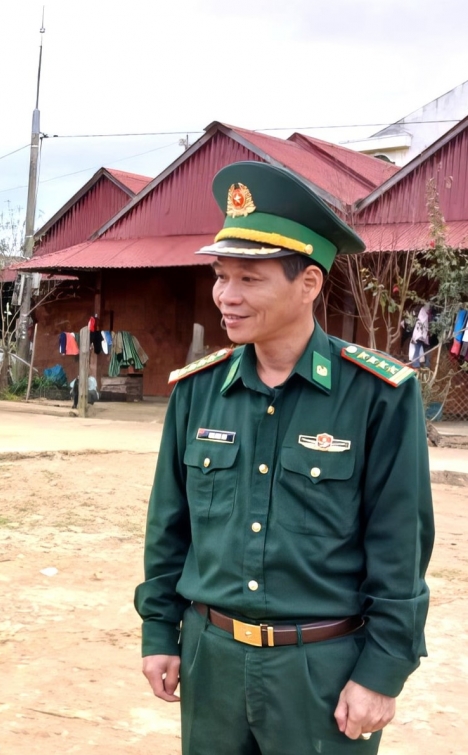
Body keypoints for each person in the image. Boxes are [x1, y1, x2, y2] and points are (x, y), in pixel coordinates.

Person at [134, 161, 434, 754]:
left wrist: (381, 673)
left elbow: (400, 546)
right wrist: (158, 631)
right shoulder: (198, 390)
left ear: (310, 283)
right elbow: (169, 528)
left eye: (249, 278)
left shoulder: (377, 395)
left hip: (319, 670)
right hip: (210, 659)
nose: (226, 296)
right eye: (221, 276)